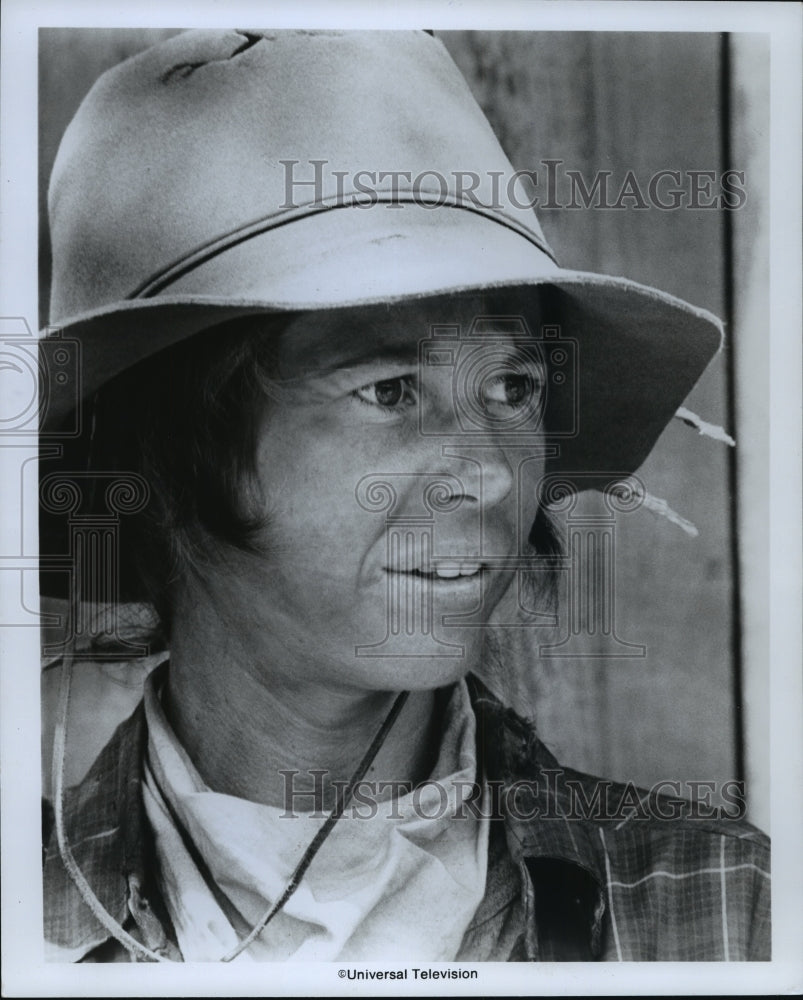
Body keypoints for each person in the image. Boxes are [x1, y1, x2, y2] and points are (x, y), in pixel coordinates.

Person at [40, 29, 770, 962]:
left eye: (512, 387)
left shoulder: (728, 915)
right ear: (169, 460)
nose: (492, 474)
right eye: (389, 391)